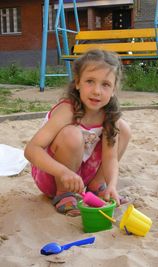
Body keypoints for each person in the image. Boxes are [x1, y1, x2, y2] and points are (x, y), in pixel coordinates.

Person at [24, 49, 131, 216]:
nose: (97, 91)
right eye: (90, 81)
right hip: (54, 174)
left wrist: (112, 185)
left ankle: (97, 187)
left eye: (105, 84)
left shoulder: (109, 115)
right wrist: (63, 172)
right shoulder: (67, 110)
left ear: (114, 89)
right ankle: (63, 195)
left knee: (123, 129)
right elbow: (31, 150)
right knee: (72, 135)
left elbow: (110, 157)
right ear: (78, 82)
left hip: (81, 176)